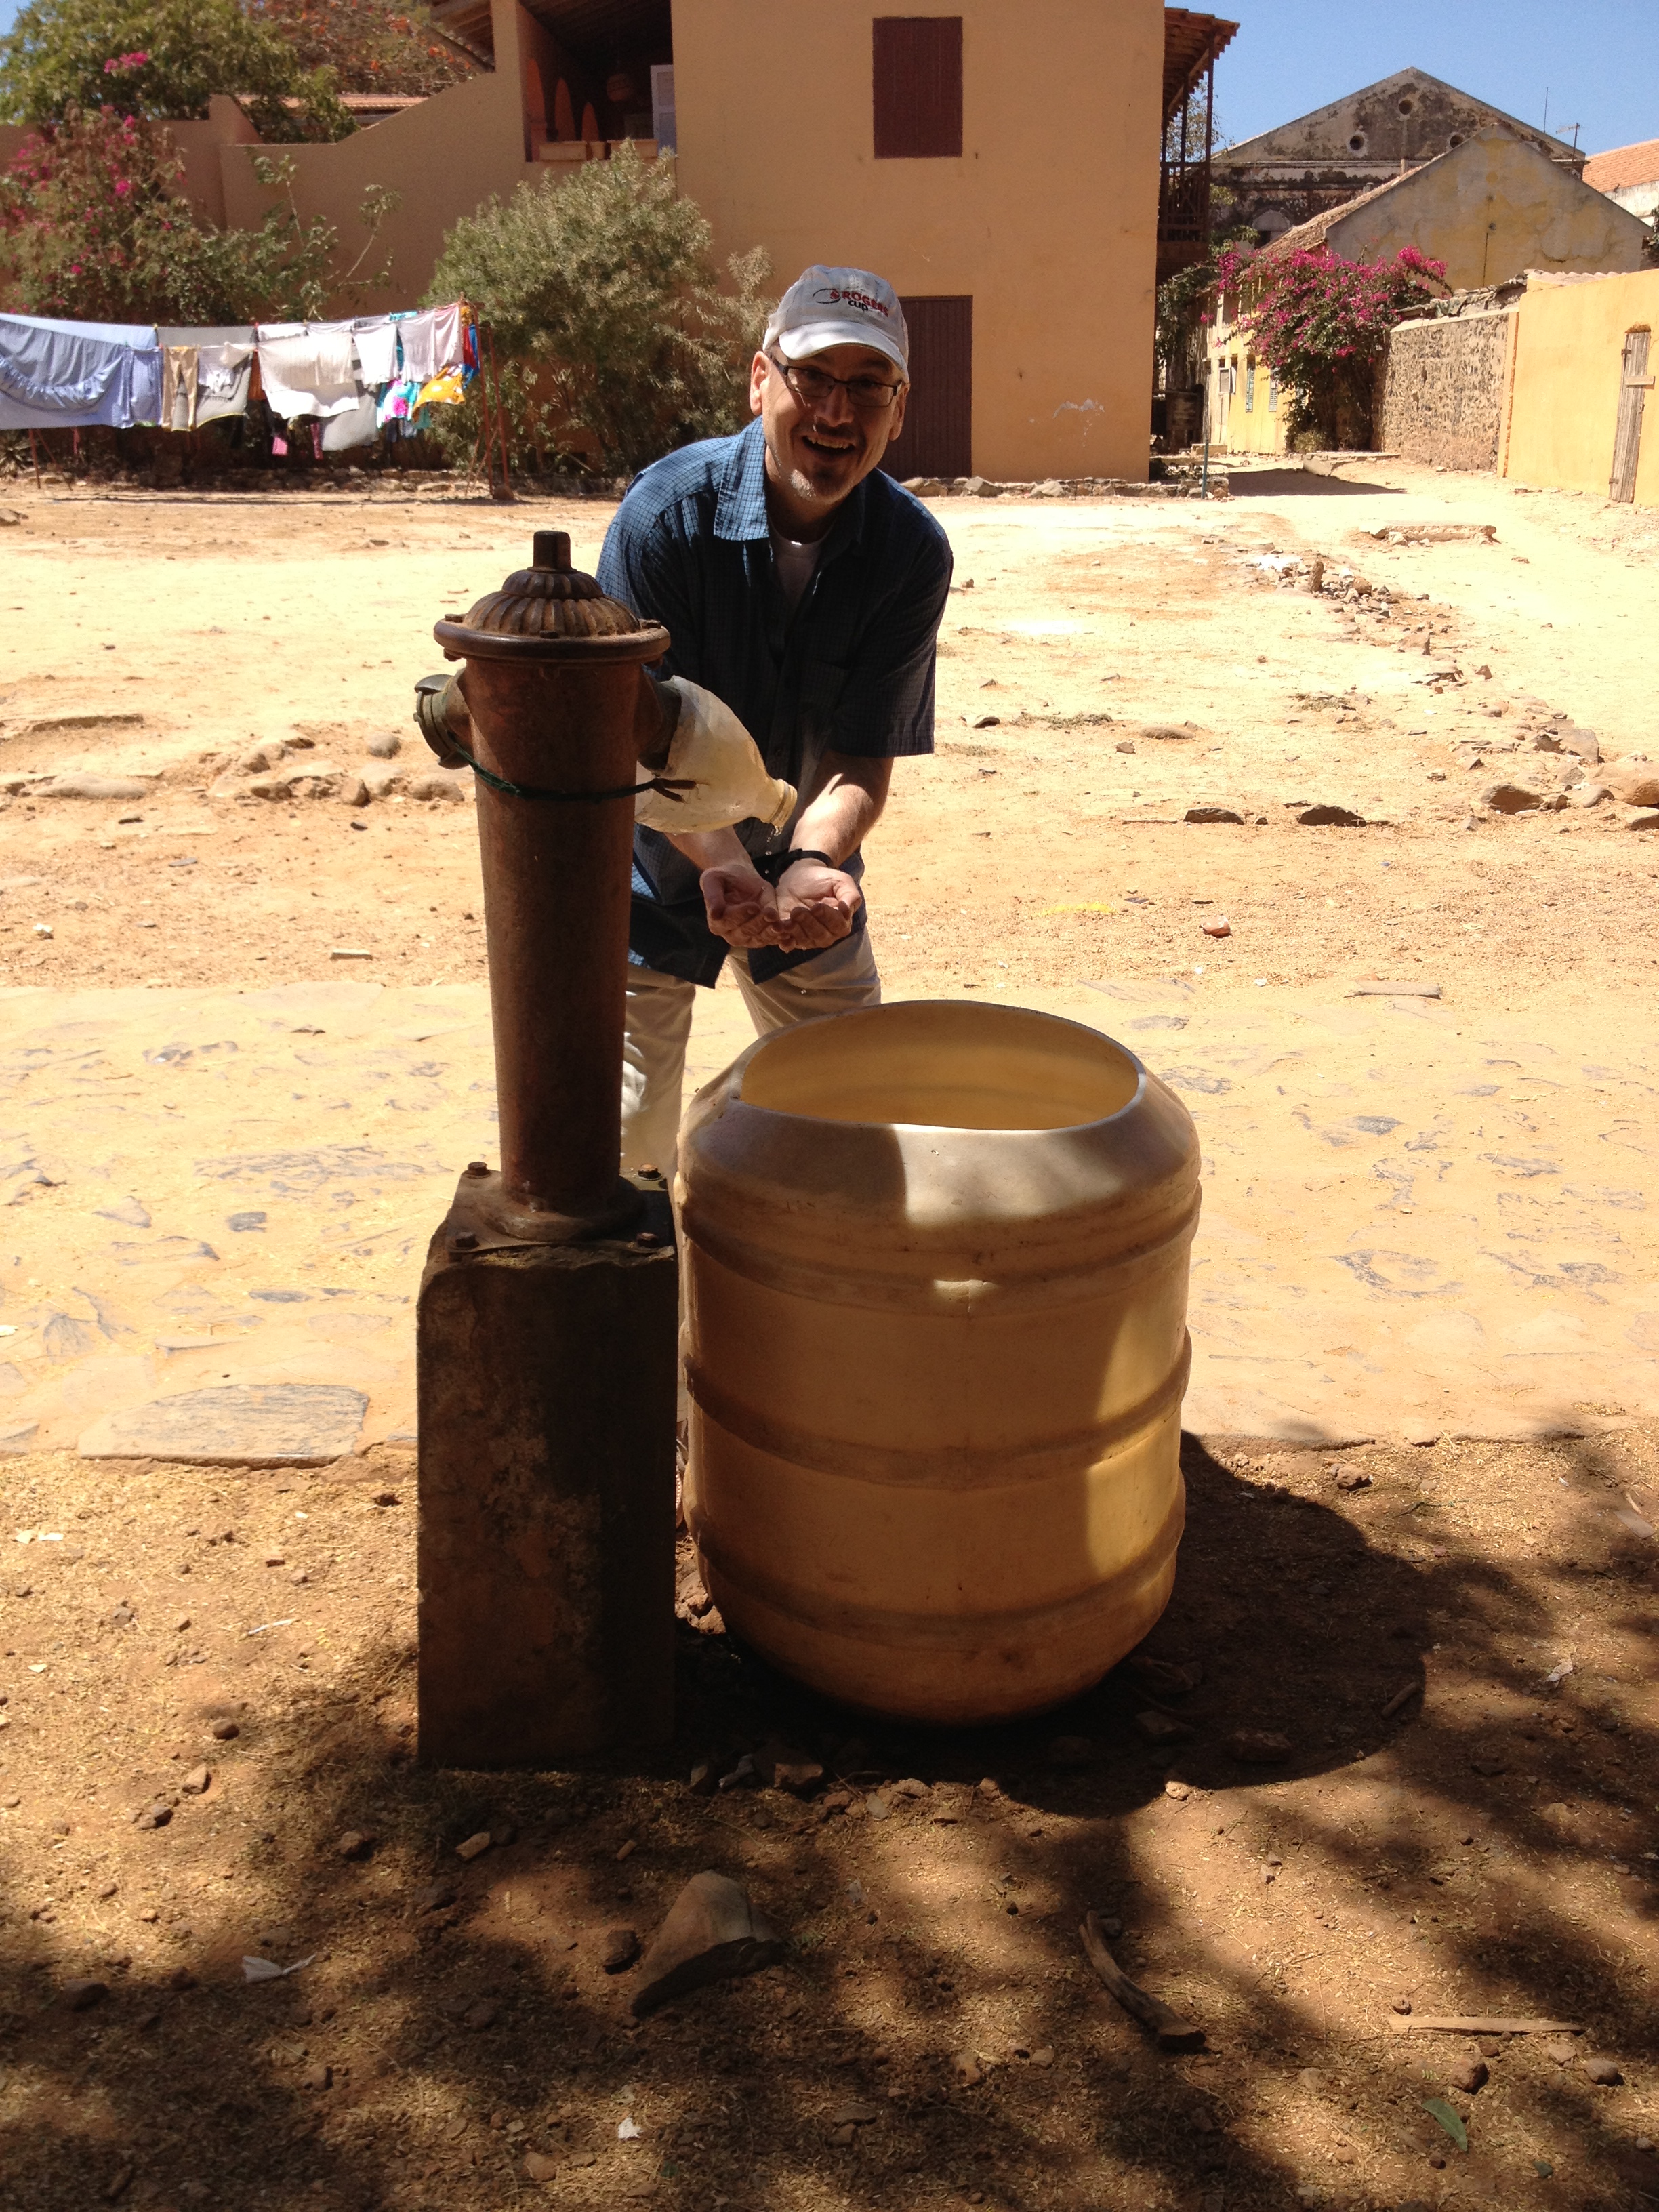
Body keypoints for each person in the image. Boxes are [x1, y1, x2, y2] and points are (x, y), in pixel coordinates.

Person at [597, 264, 952, 1170]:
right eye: (814, 378)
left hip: (802, 883)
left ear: (898, 410)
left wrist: (809, 862)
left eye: (868, 385)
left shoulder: (910, 553)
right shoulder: (661, 522)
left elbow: (861, 757)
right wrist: (720, 863)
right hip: (644, 870)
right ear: (762, 380)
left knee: (854, 1120)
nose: (838, 411)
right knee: (617, 1145)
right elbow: (633, 741)